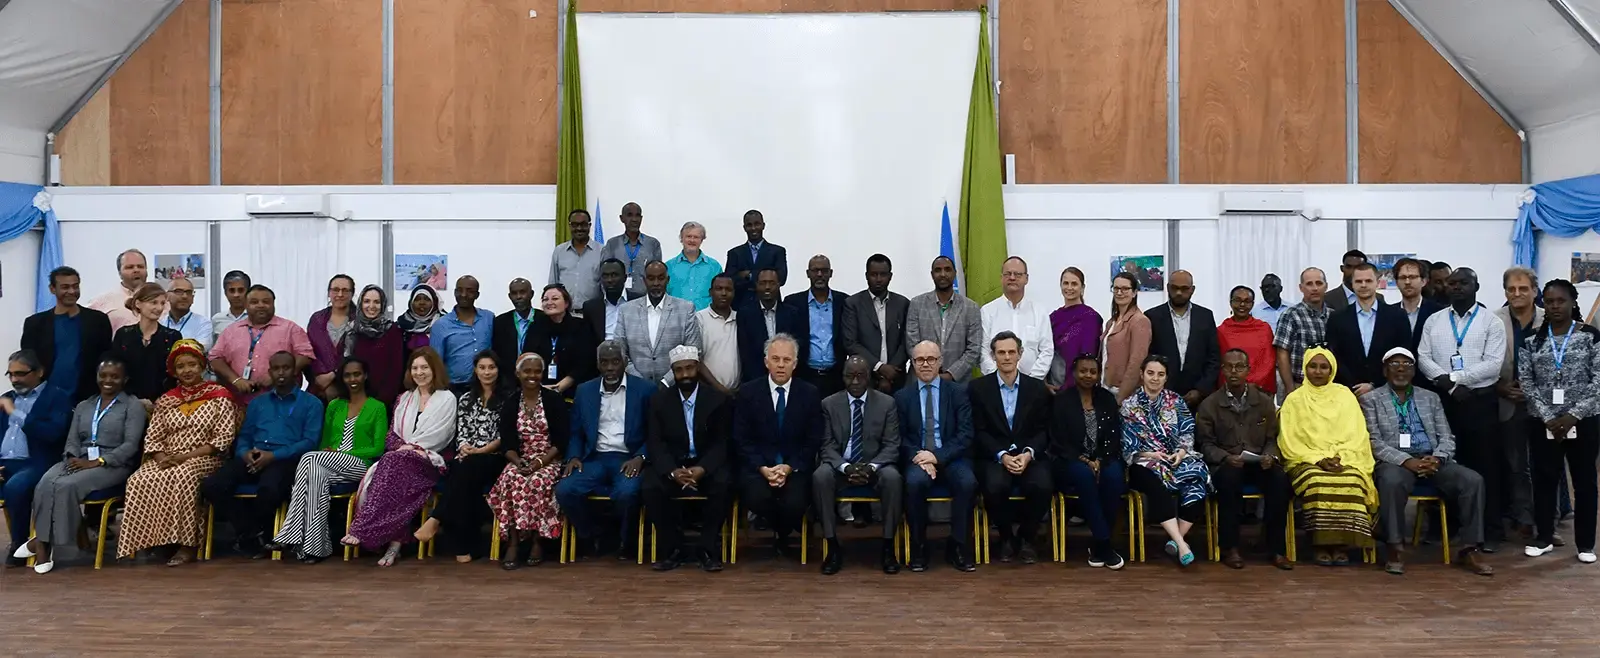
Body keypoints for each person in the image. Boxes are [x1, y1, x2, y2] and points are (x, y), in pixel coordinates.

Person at [1361, 348, 1494, 575]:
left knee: (1472, 480)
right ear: (1384, 371)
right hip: (1395, 462)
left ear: (1414, 371)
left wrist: (1438, 458)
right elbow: (1373, 443)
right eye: (1394, 364)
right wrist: (1406, 461)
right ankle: (1394, 546)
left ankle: (1470, 548)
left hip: (1432, 459)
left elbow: (1447, 437)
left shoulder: (1430, 398)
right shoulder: (1370, 400)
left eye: (1406, 364)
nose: (1401, 369)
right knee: (1391, 481)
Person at [15, 357, 145, 573]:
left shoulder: (133, 406)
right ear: (96, 377)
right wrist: (72, 456)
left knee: (66, 486)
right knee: (46, 481)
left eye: (115, 376)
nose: (108, 380)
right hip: (80, 459)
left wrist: (98, 461)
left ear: (125, 379)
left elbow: (130, 445)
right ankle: (43, 542)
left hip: (112, 464)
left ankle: (43, 544)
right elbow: (72, 439)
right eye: (103, 375)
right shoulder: (85, 405)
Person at [117, 340, 241, 566]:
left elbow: (222, 438)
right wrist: (162, 458)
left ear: (202, 366)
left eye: (192, 364)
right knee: (139, 479)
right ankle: (158, 541)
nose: (187, 371)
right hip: (167, 457)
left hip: (205, 457)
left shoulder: (219, 395)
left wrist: (184, 458)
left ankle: (188, 545)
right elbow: (153, 437)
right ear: (174, 371)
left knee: (183, 476)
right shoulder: (167, 400)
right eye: (181, 366)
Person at [1417, 267, 1507, 550]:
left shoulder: (1491, 322)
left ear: (1476, 286)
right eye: (1452, 283)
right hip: (1443, 401)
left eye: (1463, 283)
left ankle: (1489, 530)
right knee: (1445, 464)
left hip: (1479, 402)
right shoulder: (1434, 321)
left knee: (1485, 466)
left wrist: (1455, 379)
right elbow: (1423, 356)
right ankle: (1447, 525)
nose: (1457, 287)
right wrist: (1448, 384)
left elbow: (1493, 363)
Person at [342, 347, 458, 566]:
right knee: (396, 474)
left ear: (434, 369)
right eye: (414, 368)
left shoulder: (447, 398)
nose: (419, 372)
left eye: (424, 367)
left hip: (430, 462)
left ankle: (362, 528)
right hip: (400, 462)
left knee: (391, 463)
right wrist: (402, 448)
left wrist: (411, 448)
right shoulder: (404, 398)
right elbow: (391, 436)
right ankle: (395, 544)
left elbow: (441, 435)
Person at [266, 357, 388, 563]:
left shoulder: (377, 407)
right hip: (328, 463)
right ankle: (315, 549)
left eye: (356, 374)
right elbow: (324, 444)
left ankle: (291, 533)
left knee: (309, 458)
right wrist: (329, 452)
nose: (352, 379)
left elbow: (377, 448)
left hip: (361, 465)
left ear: (365, 376)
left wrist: (342, 454)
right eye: (348, 375)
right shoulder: (335, 406)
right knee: (315, 475)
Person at [199, 351, 321, 558]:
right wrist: (244, 453)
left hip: (285, 459)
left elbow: (309, 442)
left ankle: (253, 536)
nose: (281, 373)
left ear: (295, 371)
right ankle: (251, 532)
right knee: (212, 485)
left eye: (286, 368)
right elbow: (245, 435)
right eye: (276, 368)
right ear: (270, 372)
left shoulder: (311, 403)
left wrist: (273, 456)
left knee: (269, 489)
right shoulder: (258, 403)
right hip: (253, 456)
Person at [1516, 279, 1600, 563]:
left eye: (1560, 300)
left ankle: (1586, 544)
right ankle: (1544, 538)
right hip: (1544, 423)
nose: (1554, 306)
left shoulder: (1591, 336)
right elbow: (1526, 383)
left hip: (1584, 420)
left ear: (1573, 301)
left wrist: (1573, 415)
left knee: (1585, 481)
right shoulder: (1532, 341)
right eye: (1549, 301)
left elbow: (1598, 381)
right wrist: (1551, 417)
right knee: (1544, 480)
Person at [1277, 347, 1377, 566]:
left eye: (1324, 367)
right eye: (1313, 366)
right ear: (1305, 369)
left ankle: (1343, 544)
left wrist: (1339, 458)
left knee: (1352, 480)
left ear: (1332, 370)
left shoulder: (1344, 396)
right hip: (1306, 460)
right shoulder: (1294, 399)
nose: (1318, 371)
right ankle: (1320, 544)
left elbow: (1357, 434)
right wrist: (1319, 460)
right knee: (1317, 481)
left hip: (1346, 458)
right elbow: (1290, 442)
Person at [642, 345, 734, 572]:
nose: (685, 375)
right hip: (674, 465)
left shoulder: (717, 400)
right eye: (679, 370)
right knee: (650, 486)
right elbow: (655, 443)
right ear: (673, 372)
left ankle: (707, 548)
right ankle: (674, 548)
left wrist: (703, 469)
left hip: (705, 465)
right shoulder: (659, 401)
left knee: (724, 483)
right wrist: (672, 471)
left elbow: (722, 442)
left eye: (690, 369)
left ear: (698, 368)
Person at [1195, 349, 1290, 570]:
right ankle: (1231, 548)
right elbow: (1205, 445)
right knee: (1229, 480)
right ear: (1223, 370)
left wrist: (1269, 455)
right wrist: (1225, 457)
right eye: (1229, 367)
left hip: (1258, 462)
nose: (1234, 371)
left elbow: (1272, 438)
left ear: (1248, 370)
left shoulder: (1264, 401)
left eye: (1240, 367)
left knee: (1279, 480)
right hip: (1227, 464)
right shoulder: (1210, 404)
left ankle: (1276, 549)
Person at [556, 341, 652, 559]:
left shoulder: (645, 390)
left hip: (629, 457)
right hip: (594, 458)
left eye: (615, 362)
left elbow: (655, 432)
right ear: (597, 365)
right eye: (604, 362)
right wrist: (573, 456)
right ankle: (591, 536)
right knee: (566, 490)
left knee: (627, 493)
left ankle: (626, 542)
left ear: (625, 363)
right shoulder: (585, 390)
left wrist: (641, 456)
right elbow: (576, 431)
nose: (610, 368)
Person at [732, 334, 822, 559]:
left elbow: (813, 440)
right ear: (766, 362)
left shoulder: (809, 393)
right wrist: (764, 468)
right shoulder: (748, 393)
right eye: (775, 359)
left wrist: (789, 468)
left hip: (795, 467)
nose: (781, 365)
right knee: (756, 497)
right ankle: (780, 531)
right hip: (759, 467)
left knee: (795, 502)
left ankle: (783, 533)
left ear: (795, 363)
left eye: (786, 360)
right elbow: (742, 440)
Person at [414, 351, 509, 561]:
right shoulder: (466, 397)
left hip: (495, 457)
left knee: (462, 474)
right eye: (482, 367)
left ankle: (438, 521)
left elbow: (506, 434)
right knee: (463, 479)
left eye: (491, 367)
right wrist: (466, 447)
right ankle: (468, 548)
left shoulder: (509, 397)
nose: (487, 372)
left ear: (498, 370)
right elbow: (462, 431)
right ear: (475, 370)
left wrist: (482, 450)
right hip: (468, 457)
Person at [813, 355, 903, 575]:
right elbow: (826, 445)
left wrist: (871, 467)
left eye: (860, 376)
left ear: (869, 378)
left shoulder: (886, 403)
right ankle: (832, 546)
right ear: (842, 377)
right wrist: (845, 467)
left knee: (894, 478)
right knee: (820, 476)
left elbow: (892, 445)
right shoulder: (829, 404)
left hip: (875, 468)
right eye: (849, 376)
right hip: (841, 468)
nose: (854, 382)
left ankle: (888, 546)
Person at [969, 331, 1052, 564]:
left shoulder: (1037, 389)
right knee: (994, 486)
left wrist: (1028, 454)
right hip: (995, 455)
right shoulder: (978, 389)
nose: (1006, 357)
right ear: (993, 356)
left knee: (1042, 485)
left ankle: (1026, 538)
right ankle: (1005, 537)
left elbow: (1044, 430)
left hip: (1029, 454)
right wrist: (1002, 455)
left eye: (1011, 352)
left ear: (1020, 354)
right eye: (1001, 352)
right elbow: (979, 430)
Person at [896, 340, 978, 572]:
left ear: (940, 362)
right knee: (913, 483)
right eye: (920, 360)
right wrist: (921, 457)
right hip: (918, 458)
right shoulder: (903, 396)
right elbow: (899, 437)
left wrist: (937, 457)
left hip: (952, 456)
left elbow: (965, 434)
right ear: (913, 364)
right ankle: (919, 547)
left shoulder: (958, 393)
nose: (925, 364)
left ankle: (959, 545)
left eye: (931, 359)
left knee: (967, 482)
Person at [1121, 355, 1210, 567]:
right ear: (1142, 374)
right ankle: (1182, 544)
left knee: (1198, 475)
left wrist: (1181, 452)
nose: (1155, 378)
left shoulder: (1176, 401)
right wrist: (1150, 455)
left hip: (1174, 457)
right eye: (1150, 373)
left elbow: (1187, 431)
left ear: (1166, 378)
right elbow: (1126, 443)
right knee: (1154, 482)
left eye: (1160, 374)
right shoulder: (1128, 405)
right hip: (1144, 461)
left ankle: (1175, 539)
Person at [488, 353, 569, 569]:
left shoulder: (553, 400)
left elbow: (562, 440)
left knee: (537, 481)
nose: (532, 375)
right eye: (527, 371)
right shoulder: (511, 402)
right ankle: (514, 542)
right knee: (511, 478)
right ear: (518, 373)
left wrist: (540, 463)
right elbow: (507, 442)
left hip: (549, 459)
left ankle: (537, 540)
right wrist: (519, 462)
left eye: (537, 371)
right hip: (519, 459)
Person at [1048, 354, 1127, 569]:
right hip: (1069, 459)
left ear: (1099, 374)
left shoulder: (1106, 399)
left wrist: (1100, 459)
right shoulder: (1062, 400)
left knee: (1114, 477)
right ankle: (1104, 542)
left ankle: (1100, 544)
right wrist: (1084, 459)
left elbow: (1114, 437)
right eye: (1083, 371)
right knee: (1083, 476)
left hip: (1104, 457)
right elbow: (1058, 439)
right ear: (1074, 373)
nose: (1088, 376)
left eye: (1093, 372)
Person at [0, 350, 74, 567]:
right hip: (5, 463)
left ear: (39, 372)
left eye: (21, 374)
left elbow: (52, 433)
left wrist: (16, 414)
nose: (15, 380)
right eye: (10, 374)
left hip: (37, 462)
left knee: (16, 487)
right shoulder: (7, 398)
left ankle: (19, 544)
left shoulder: (56, 397)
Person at [1495, 266, 1541, 539]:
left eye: (1523, 288)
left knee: (1546, 465)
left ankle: (1548, 520)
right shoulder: (1493, 320)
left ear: (1535, 291)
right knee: (1515, 465)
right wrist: (1500, 388)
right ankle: (1522, 517)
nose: (1517, 293)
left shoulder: (1550, 319)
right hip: (1506, 401)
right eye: (1511, 289)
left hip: (1544, 407)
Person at [22, 266, 113, 403]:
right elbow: (28, 362)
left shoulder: (97, 320)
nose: (71, 291)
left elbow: (106, 356)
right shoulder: (35, 324)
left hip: (88, 398)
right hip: (47, 399)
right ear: (52, 289)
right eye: (65, 287)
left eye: (75, 286)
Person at [209, 285, 314, 404]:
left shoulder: (291, 329)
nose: (260, 305)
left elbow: (305, 355)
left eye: (266, 302)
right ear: (246, 305)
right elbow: (215, 358)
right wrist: (236, 380)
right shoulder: (231, 331)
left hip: (281, 401)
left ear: (273, 304)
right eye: (254, 302)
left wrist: (278, 376)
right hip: (238, 402)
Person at [1324, 263, 1410, 395]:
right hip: (1348, 391)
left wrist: (1375, 383)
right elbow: (1333, 355)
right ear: (1352, 284)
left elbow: (1403, 352)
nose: (1363, 285)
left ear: (1377, 282)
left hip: (1388, 389)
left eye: (1368, 281)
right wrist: (1353, 385)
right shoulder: (1337, 317)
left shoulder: (1397, 316)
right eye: (1358, 281)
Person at [617, 260, 702, 384]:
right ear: (644, 280)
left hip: (674, 388)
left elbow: (693, 351)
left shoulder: (686, 309)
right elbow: (620, 351)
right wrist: (639, 382)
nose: (656, 283)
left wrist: (666, 382)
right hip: (636, 386)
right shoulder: (626, 310)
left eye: (661, 278)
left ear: (667, 280)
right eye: (651, 278)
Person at [1145, 270, 1220, 407]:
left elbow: (1213, 358)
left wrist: (1200, 390)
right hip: (1160, 395)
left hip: (1198, 397)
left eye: (1184, 288)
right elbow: (1148, 356)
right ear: (1168, 288)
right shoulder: (1152, 316)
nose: (1179, 293)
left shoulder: (1205, 316)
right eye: (1175, 288)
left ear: (1192, 290)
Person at [907, 256, 983, 384]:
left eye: (947, 270)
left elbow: (974, 349)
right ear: (932, 274)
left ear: (954, 273)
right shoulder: (917, 304)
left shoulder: (971, 308)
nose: (943, 274)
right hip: (921, 380)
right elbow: (912, 344)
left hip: (958, 382)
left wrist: (951, 374)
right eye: (938, 270)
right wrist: (930, 372)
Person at [843, 253, 911, 393]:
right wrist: (880, 367)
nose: (878, 279)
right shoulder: (853, 304)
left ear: (890, 276)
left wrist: (891, 371)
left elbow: (907, 341)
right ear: (866, 275)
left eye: (883, 274)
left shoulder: (902, 303)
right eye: (874, 274)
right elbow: (851, 343)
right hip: (864, 378)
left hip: (896, 378)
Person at [980, 257, 1054, 382]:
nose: (1012, 278)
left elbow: (1046, 350)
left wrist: (1030, 381)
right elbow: (983, 351)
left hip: (1032, 387)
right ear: (1001, 278)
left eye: (1018, 274)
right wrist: (999, 379)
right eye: (1008, 274)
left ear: (1026, 279)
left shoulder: (1039, 311)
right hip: (996, 386)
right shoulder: (988, 311)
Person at [785, 254, 847, 399]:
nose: (820, 274)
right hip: (804, 375)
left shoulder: (844, 301)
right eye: (815, 270)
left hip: (836, 376)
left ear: (831, 273)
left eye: (824, 271)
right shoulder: (793, 302)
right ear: (808, 273)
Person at [109, 282, 182, 404]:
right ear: (138, 304)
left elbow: (175, 375)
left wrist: (164, 399)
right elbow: (117, 372)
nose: (159, 308)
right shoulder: (123, 335)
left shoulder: (173, 336)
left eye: (162, 303)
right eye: (153, 302)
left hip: (164, 405)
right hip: (128, 404)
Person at [526, 283, 597, 398]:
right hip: (540, 390)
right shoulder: (535, 327)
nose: (549, 303)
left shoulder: (580, 326)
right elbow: (528, 357)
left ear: (566, 303)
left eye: (555, 298)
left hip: (574, 390)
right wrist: (540, 387)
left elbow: (585, 362)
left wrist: (559, 387)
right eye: (545, 300)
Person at [737, 268, 803, 383]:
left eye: (772, 283)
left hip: (787, 379)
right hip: (755, 381)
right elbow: (745, 353)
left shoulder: (792, 313)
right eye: (763, 283)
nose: (767, 287)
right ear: (756, 285)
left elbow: (798, 347)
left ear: (778, 285)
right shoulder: (745, 314)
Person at [431, 276, 494, 394]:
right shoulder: (441, 325)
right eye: (460, 290)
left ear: (477, 295)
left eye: (470, 291)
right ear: (455, 292)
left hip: (486, 386)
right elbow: (436, 363)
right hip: (454, 389)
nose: (464, 294)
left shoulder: (488, 318)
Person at [1274, 267, 1331, 395]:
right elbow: (1282, 353)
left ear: (1326, 286)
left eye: (1319, 283)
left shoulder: (1334, 316)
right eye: (1309, 284)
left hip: (1328, 388)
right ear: (1301, 288)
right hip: (1298, 385)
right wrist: (1289, 387)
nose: (1315, 288)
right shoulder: (1290, 315)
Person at [347, 285, 406, 407]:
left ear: (383, 305)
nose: (371, 306)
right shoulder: (352, 330)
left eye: (377, 302)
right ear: (360, 303)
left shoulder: (392, 330)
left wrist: (381, 401)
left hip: (384, 401)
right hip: (356, 399)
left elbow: (396, 369)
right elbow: (346, 365)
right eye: (367, 301)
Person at [1102, 272, 1152, 403]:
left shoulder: (1139, 321)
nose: (1119, 292)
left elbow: (1136, 362)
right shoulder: (1111, 322)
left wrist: (1121, 397)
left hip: (1125, 393)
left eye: (1125, 289)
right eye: (1116, 288)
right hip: (1106, 387)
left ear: (1134, 292)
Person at [1048, 267, 1100, 389]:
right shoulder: (1053, 317)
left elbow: (1089, 354)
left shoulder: (1090, 317)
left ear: (1082, 288)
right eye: (1066, 283)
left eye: (1074, 284)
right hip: (1054, 383)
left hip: (1081, 384)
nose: (1069, 288)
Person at [1217, 286, 1276, 394]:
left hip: (1259, 390)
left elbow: (1269, 361)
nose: (1242, 305)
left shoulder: (1263, 329)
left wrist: (1254, 384)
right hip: (1229, 390)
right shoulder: (1221, 331)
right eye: (1237, 300)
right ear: (1230, 302)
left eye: (1247, 301)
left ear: (1253, 304)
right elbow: (1219, 364)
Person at [306, 274, 357, 398]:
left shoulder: (359, 321)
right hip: (319, 386)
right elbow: (310, 351)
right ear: (329, 293)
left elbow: (359, 354)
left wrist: (334, 375)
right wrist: (321, 379)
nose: (340, 294)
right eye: (335, 290)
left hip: (350, 387)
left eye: (345, 290)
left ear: (352, 294)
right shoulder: (317, 319)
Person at [724, 209, 789, 306]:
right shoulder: (734, 253)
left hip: (770, 305)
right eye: (749, 225)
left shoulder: (777, 251)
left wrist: (749, 275)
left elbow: (781, 278)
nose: (753, 228)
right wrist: (765, 275)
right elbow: (731, 281)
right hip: (741, 305)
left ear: (763, 225)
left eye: (757, 224)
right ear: (744, 227)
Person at [599, 202, 664, 295]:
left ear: (641, 219)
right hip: (620, 299)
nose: (634, 219)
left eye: (637, 216)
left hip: (645, 300)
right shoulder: (612, 244)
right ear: (622, 218)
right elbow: (605, 273)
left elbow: (658, 275)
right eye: (629, 215)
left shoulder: (653, 244)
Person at [695, 274, 741, 394]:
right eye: (719, 289)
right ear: (710, 292)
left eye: (728, 289)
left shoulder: (740, 318)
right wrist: (720, 389)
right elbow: (696, 360)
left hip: (737, 392)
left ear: (734, 292)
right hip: (708, 391)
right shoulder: (699, 318)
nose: (724, 293)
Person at [549, 208, 603, 308]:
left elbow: (604, 286)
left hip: (592, 314)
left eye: (583, 224)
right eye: (575, 225)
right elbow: (553, 285)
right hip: (565, 314)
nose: (579, 228)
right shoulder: (559, 251)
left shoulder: (602, 251)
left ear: (589, 225)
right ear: (569, 226)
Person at [86, 248, 149, 332]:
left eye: (140, 266)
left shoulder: (162, 301)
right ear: (119, 273)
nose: (136, 270)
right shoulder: (102, 302)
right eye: (129, 267)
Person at [580, 259, 643, 342]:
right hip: (602, 352)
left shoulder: (640, 302)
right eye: (605, 276)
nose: (609, 280)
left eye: (614, 275)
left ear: (625, 278)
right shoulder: (591, 307)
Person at [665, 221, 723, 311]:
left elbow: (720, 294)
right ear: (681, 238)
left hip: (707, 318)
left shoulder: (714, 266)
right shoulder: (669, 266)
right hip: (676, 317)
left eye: (696, 237)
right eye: (688, 236)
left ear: (702, 240)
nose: (692, 240)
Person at [1392, 257, 1444, 355]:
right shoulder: (1388, 313)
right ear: (1397, 282)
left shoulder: (1439, 312)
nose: (1407, 282)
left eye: (1412, 277)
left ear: (1424, 281)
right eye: (1403, 278)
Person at [492, 278, 538, 382]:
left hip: (537, 379)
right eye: (514, 293)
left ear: (531, 294)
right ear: (509, 296)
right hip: (508, 382)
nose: (518, 297)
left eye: (522, 292)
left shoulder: (544, 319)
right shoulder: (500, 322)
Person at [161, 277, 212, 351]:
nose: (184, 296)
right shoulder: (160, 322)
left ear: (193, 297)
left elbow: (199, 350)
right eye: (178, 291)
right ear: (167, 296)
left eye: (188, 292)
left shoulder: (203, 323)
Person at [397, 284, 442, 358]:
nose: (422, 303)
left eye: (427, 299)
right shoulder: (401, 325)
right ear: (411, 303)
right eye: (417, 299)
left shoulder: (443, 324)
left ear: (434, 302)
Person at [212, 270, 251, 342]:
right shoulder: (217, 319)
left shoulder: (255, 318)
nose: (236, 295)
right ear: (225, 293)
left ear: (248, 292)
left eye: (241, 290)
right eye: (232, 290)